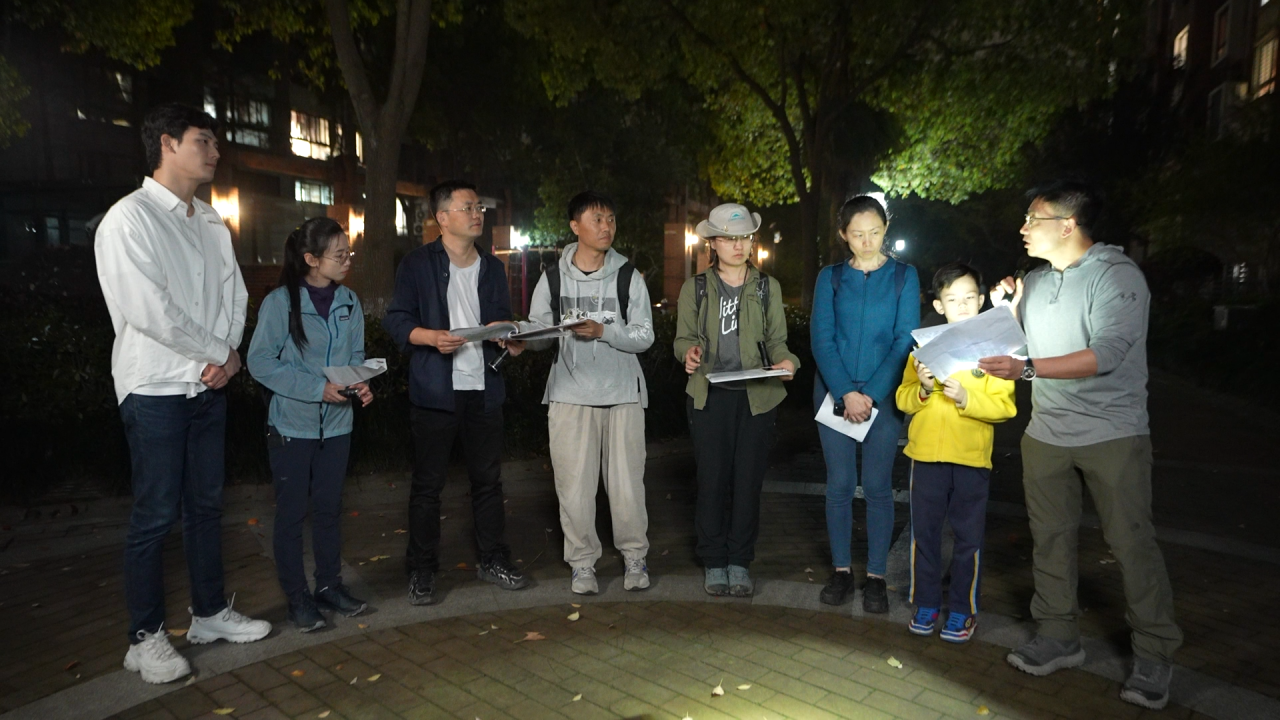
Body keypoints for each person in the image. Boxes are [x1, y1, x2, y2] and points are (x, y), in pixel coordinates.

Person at [978, 180, 1182, 710]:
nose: (1023, 228)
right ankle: (1058, 635)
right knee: (1049, 539)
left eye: (1033, 219)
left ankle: (1155, 653)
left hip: (1113, 433)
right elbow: (1022, 346)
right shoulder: (1036, 281)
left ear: (1067, 225)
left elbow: (1107, 354)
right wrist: (1008, 309)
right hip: (1047, 433)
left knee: (1131, 544)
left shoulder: (1117, 275)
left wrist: (1027, 369)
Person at [95, 103, 271, 684]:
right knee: (154, 514)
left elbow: (234, 294)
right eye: (204, 141)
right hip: (155, 385)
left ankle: (209, 613)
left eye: (215, 142)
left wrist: (229, 351)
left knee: (206, 506)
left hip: (207, 385)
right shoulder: (130, 218)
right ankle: (144, 637)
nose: (215, 152)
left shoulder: (211, 221)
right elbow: (150, 310)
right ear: (167, 144)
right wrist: (217, 352)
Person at [383, 180, 529, 606]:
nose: (477, 213)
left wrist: (509, 337)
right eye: (468, 207)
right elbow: (396, 320)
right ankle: (422, 569)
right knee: (428, 486)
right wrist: (430, 337)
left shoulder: (492, 267)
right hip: (436, 391)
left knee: (488, 481)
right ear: (442, 217)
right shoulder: (417, 264)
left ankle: (493, 558)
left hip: (484, 389)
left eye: (479, 206)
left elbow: (500, 320)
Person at [523, 191, 655, 595]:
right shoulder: (553, 277)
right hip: (569, 395)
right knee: (574, 489)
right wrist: (519, 339)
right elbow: (540, 333)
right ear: (575, 226)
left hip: (623, 394)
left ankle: (635, 557)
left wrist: (604, 330)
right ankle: (582, 564)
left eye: (611, 219)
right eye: (597, 219)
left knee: (628, 487)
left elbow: (645, 336)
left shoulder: (628, 276)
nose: (606, 226)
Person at [247, 217, 373, 632]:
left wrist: (360, 384)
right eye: (339, 255)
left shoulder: (349, 301)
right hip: (291, 427)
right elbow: (259, 362)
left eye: (348, 253)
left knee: (329, 510)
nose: (347, 260)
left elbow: (355, 357)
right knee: (290, 515)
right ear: (311, 259)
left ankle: (329, 586)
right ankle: (297, 598)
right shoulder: (280, 303)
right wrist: (317, 389)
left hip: (337, 427)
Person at [673, 203, 800, 597]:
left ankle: (740, 561)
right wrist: (689, 354)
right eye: (729, 238)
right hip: (709, 397)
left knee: (747, 482)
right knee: (712, 481)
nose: (738, 245)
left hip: (756, 399)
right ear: (712, 242)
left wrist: (787, 362)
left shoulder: (766, 287)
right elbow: (682, 339)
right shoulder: (695, 287)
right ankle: (714, 560)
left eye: (744, 237)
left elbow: (778, 341)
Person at [810, 194, 921, 612]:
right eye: (857, 234)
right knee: (839, 484)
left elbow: (904, 339)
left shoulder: (904, 276)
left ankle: (876, 575)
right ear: (844, 234)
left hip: (884, 394)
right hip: (834, 392)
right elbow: (821, 338)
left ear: (885, 229)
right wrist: (845, 392)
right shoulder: (831, 277)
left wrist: (870, 394)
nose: (867, 241)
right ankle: (841, 571)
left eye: (875, 232)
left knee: (877, 486)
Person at [895, 262, 1016, 643]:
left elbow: (1005, 407)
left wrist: (967, 398)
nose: (961, 305)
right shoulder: (923, 349)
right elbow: (903, 399)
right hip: (926, 456)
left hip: (971, 458)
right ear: (938, 305)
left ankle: (963, 609)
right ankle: (926, 603)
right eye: (952, 299)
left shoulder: (996, 350)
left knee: (968, 539)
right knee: (925, 535)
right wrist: (923, 388)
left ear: (980, 301)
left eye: (968, 298)